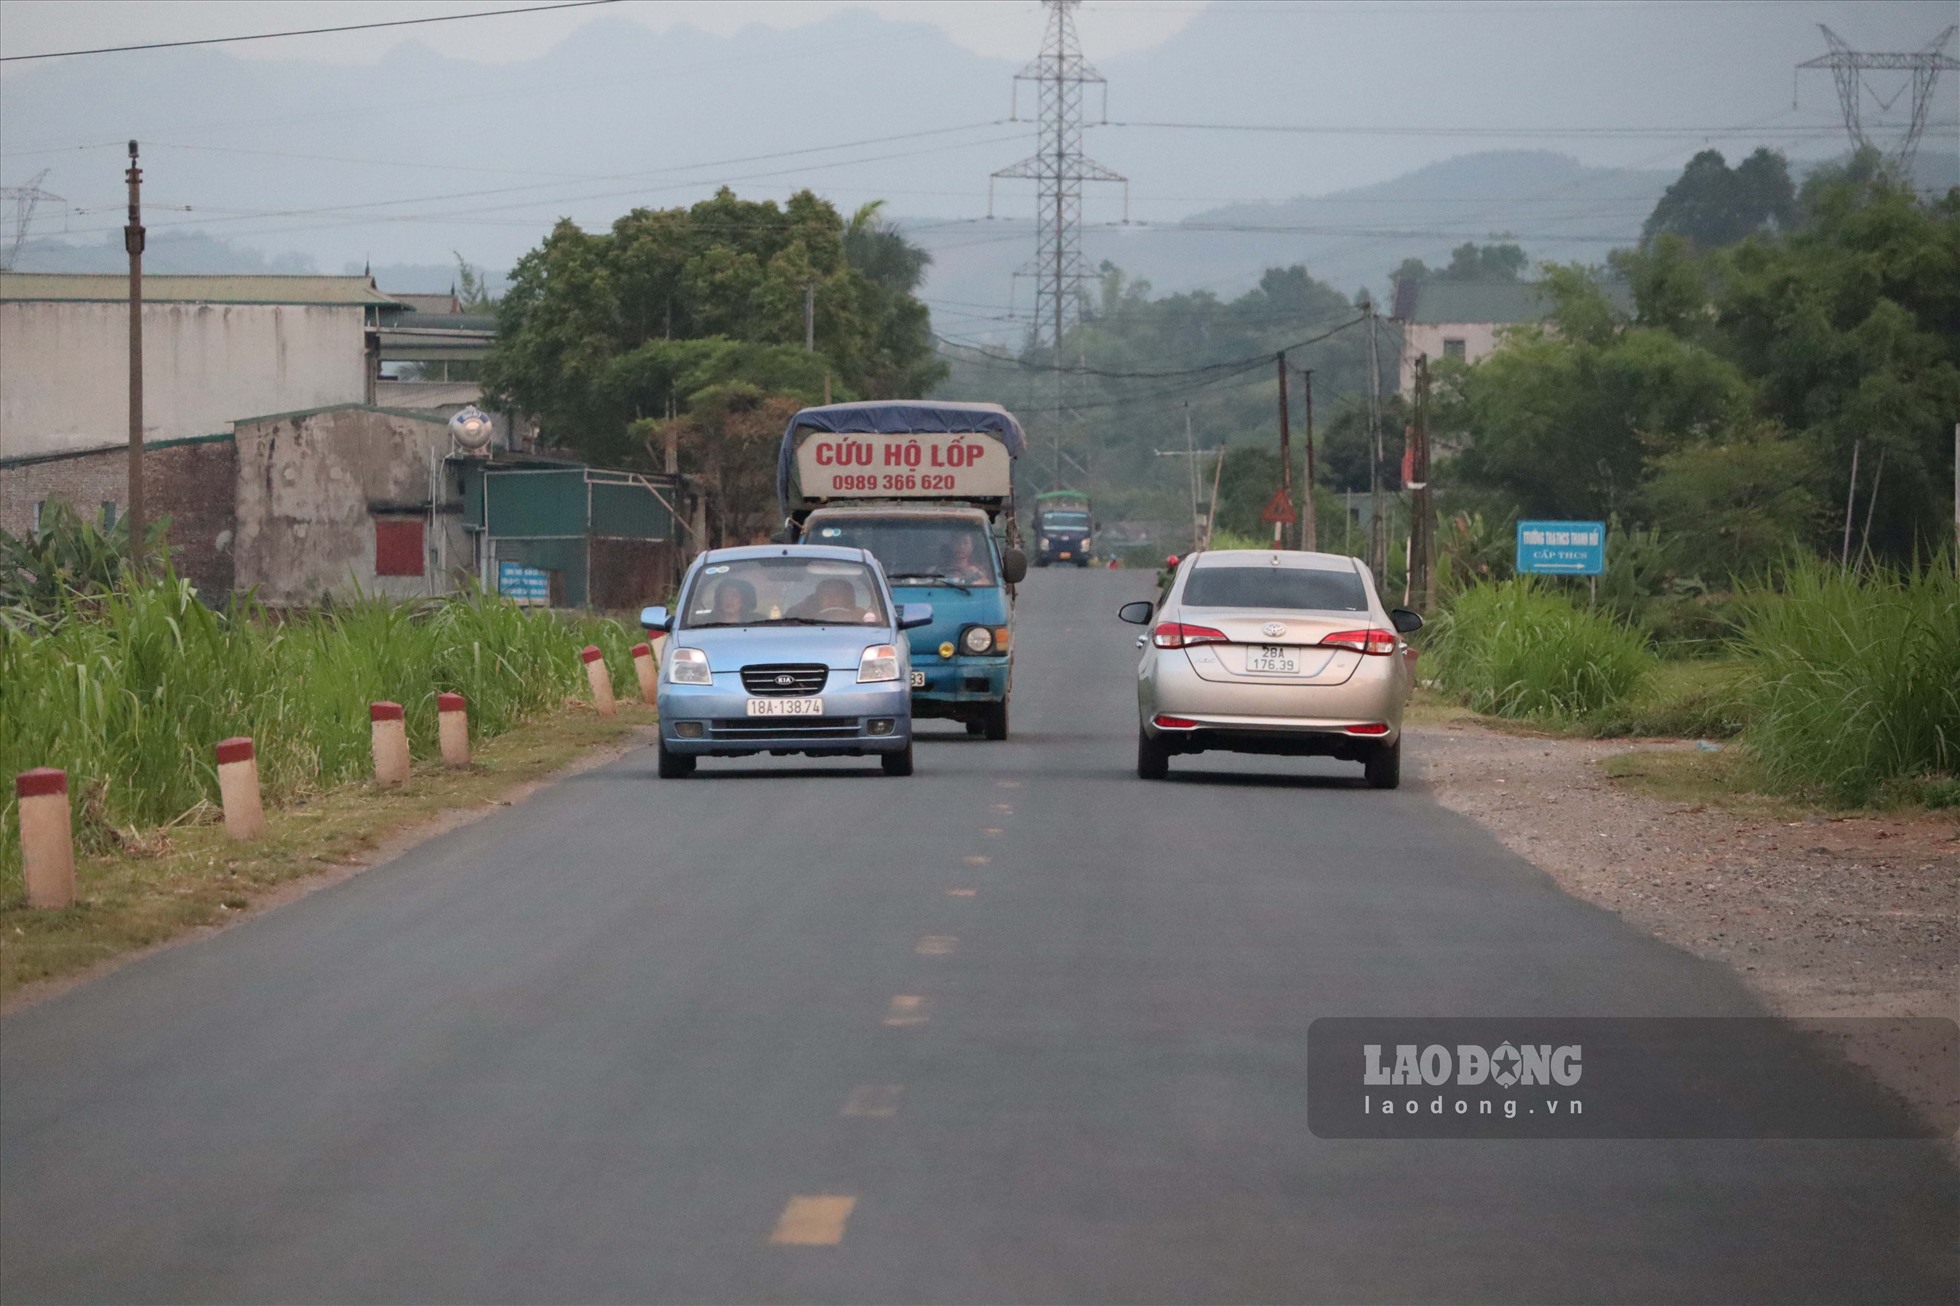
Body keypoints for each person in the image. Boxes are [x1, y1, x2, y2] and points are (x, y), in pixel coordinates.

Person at [786, 577, 865, 621]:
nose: (832, 598)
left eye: (837, 594)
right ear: (819, 598)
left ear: (847, 598)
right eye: (827, 594)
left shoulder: (860, 615)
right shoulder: (806, 617)